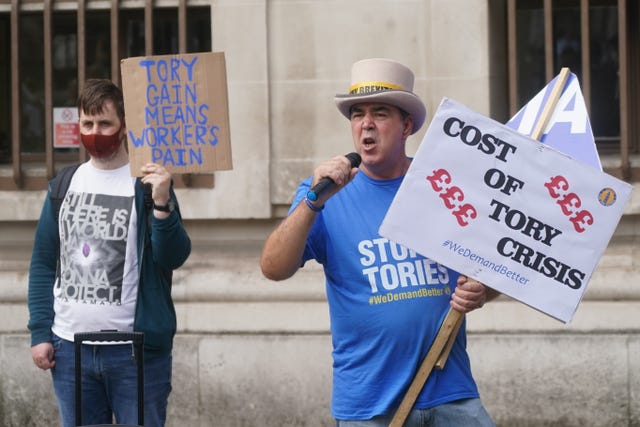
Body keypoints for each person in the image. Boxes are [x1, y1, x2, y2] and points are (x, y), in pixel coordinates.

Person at [260, 58, 498, 426]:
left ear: (406, 126)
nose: (366, 124)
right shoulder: (322, 195)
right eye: (357, 114)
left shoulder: (442, 186)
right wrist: (313, 202)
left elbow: (494, 268)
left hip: (451, 394)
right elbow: (273, 268)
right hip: (369, 404)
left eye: (380, 113)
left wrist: (483, 291)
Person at [28, 78, 191, 427]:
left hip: (135, 354)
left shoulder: (147, 184)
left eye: (105, 123)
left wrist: (162, 204)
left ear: (123, 128)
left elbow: (172, 257)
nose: (95, 131)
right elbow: (43, 262)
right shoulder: (63, 185)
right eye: (87, 123)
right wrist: (40, 333)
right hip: (70, 350)